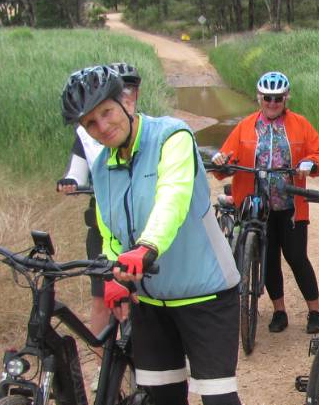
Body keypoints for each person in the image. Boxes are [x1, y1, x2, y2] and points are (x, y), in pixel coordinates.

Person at [60, 65, 242, 405]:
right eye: (90, 123)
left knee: (218, 398)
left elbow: (173, 196)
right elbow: (109, 230)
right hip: (150, 304)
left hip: (206, 295)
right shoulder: (102, 167)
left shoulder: (172, 136)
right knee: (163, 399)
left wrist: (147, 246)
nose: (102, 127)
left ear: (126, 102)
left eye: (106, 112)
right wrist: (115, 272)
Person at [211, 71, 319, 334]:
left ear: (286, 98)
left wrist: (310, 164)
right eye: (267, 98)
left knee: (297, 257)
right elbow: (226, 157)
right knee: (270, 259)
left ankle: (315, 311)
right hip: (256, 206)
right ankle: (279, 311)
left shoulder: (300, 124)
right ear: (259, 98)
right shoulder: (245, 126)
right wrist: (221, 161)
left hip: (290, 206)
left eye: (277, 98)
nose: (272, 103)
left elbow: (318, 153)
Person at [56, 62, 141, 345]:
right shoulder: (86, 135)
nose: (101, 125)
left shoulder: (144, 129)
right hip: (103, 226)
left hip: (142, 227)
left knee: (146, 300)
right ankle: (102, 362)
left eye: (132, 89)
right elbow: (76, 171)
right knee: (101, 299)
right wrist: (70, 182)